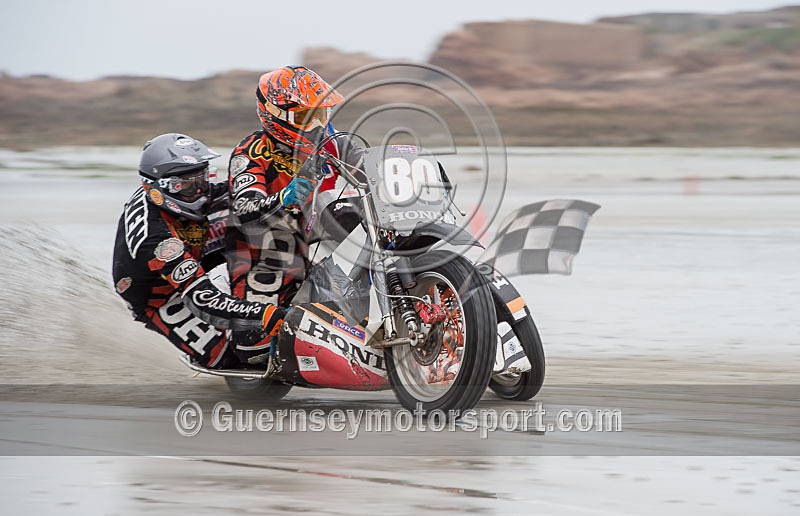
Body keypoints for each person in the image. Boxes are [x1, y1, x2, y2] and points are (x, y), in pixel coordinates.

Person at [224, 66, 364, 364]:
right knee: (253, 350)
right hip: (264, 245)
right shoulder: (250, 152)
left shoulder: (335, 141)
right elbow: (244, 210)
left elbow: (369, 168)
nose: (316, 124)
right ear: (274, 114)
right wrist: (287, 196)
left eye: (320, 114)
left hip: (318, 232)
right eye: (305, 117)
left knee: (356, 210)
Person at [112, 133, 285, 369]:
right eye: (187, 185)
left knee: (250, 213)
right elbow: (202, 298)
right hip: (160, 295)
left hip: (194, 244)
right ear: (159, 187)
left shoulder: (182, 195)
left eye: (203, 178)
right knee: (230, 360)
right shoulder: (156, 240)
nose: (201, 191)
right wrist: (263, 314)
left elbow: (234, 191)